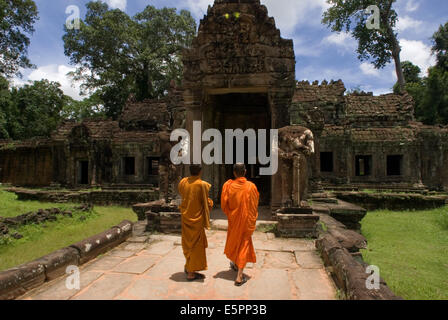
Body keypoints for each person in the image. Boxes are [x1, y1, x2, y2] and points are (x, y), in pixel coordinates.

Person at [221, 163, 260, 286]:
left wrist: (231, 214)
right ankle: (239, 276)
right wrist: (251, 218)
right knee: (243, 244)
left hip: (234, 220)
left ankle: (236, 264)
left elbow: (224, 204)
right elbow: (254, 206)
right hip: (245, 221)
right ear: (245, 171)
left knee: (236, 241)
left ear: (234, 172)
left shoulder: (228, 186)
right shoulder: (251, 187)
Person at [178, 164, 213, 281]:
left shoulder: (183, 182)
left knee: (188, 244)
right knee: (195, 246)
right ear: (200, 172)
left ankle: (189, 267)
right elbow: (207, 203)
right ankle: (191, 273)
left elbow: (182, 194)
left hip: (186, 217)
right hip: (196, 220)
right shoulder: (202, 185)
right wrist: (210, 204)